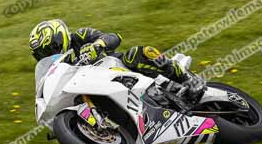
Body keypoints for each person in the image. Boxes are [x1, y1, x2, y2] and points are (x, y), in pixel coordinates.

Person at [28, 19, 205, 102]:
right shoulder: (58, 69)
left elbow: (114, 37)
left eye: (48, 49)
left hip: (119, 69)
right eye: (41, 55)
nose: (47, 56)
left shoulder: (80, 36)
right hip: (99, 88)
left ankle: (189, 79)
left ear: (59, 39)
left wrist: (97, 45)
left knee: (138, 52)